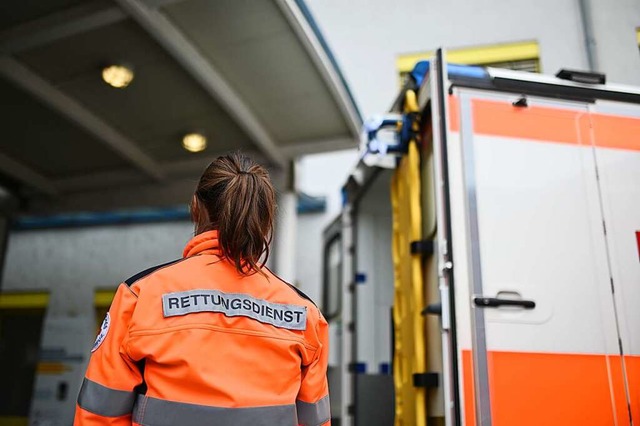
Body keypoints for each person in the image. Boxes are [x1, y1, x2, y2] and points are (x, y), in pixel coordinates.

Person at [74, 153, 330, 426]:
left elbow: (99, 417)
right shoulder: (304, 315)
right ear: (266, 220)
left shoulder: (140, 296)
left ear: (196, 207)